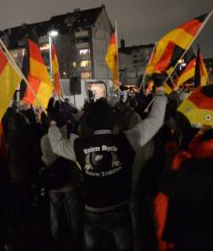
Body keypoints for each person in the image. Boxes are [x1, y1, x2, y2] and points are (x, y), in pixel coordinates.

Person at [48, 74, 167, 251]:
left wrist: (52, 124)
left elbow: (57, 145)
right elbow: (155, 121)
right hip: (119, 208)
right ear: (111, 121)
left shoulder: (79, 145)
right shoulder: (126, 140)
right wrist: (160, 90)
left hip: (92, 211)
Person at [41, 107, 83, 246]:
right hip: (71, 182)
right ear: (65, 124)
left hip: (53, 182)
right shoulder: (71, 139)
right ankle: (76, 237)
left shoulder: (44, 139)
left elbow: (45, 158)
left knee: (54, 211)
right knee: (74, 212)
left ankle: (56, 236)